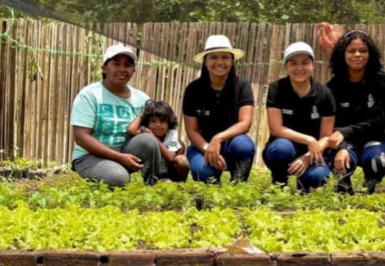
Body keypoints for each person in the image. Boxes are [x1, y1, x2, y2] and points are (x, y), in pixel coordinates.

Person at [70, 44, 160, 188]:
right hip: (91, 156)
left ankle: (152, 185)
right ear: (104, 68)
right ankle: (107, 176)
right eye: (116, 64)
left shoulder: (142, 98)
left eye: (127, 65)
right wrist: (119, 158)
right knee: (117, 177)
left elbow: (154, 130)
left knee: (148, 140)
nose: (122, 69)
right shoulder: (90, 95)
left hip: (126, 151)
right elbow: (81, 137)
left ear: (133, 71)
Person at [326, 30, 385, 194]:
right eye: (352, 51)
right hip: (345, 141)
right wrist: (341, 146)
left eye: (363, 50)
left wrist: (345, 131)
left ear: (370, 54)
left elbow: (378, 120)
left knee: (377, 162)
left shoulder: (381, 81)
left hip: (373, 137)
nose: (358, 55)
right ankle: (344, 183)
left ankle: (370, 182)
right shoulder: (333, 87)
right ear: (342, 54)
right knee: (337, 158)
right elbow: (329, 125)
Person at [263, 42, 337, 191]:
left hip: (313, 151)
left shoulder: (325, 94)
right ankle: (279, 184)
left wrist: (308, 156)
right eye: (293, 63)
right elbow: (276, 129)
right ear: (286, 66)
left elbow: (325, 137)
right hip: (283, 147)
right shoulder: (276, 88)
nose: (299, 68)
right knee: (280, 149)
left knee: (318, 177)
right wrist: (308, 139)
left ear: (313, 65)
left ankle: (304, 186)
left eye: (305, 63)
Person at [182, 35, 256, 183]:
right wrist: (207, 148)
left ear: (232, 61)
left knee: (244, 146)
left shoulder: (242, 86)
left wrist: (218, 138)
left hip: (231, 143)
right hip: (202, 145)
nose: (220, 62)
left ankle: (238, 188)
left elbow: (245, 123)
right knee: (202, 172)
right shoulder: (193, 89)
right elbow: (192, 130)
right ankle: (211, 195)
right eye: (213, 57)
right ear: (205, 61)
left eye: (225, 57)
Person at [127, 101, 189, 182]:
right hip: (151, 172)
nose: (158, 125)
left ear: (168, 123)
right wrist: (142, 115)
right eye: (153, 121)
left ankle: (180, 183)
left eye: (162, 121)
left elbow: (170, 157)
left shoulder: (171, 134)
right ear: (147, 123)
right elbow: (131, 130)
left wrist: (154, 138)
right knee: (167, 183)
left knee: (182, 160)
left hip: (168, 172)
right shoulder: (146, 131)